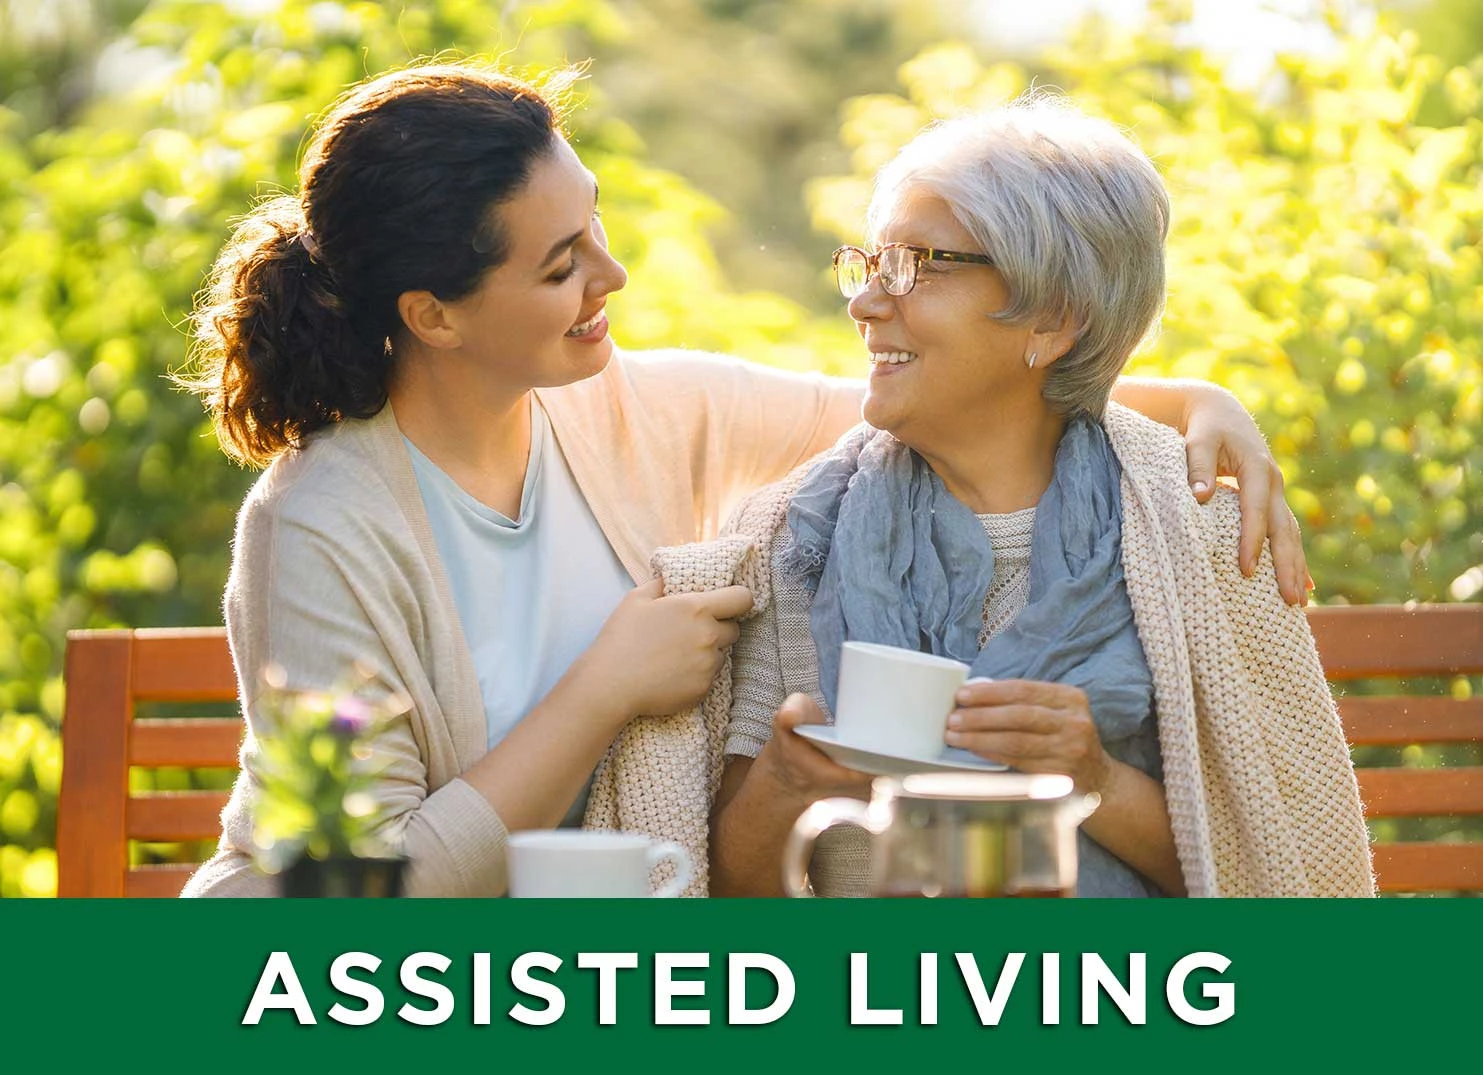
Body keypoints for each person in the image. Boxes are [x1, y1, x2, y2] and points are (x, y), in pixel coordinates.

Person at [177, 63, 1312, 897]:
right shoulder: (323, 527)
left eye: (597, 229)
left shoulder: (635, 408)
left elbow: (928, 395)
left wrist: (1205, 405)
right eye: (562, 263)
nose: (611, 276)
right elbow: (339, 909)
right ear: (433, 315)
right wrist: (605, 689)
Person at [710, 94, 1374, 897]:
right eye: (871, 262)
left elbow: (1283, 871)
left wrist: (1089, 775)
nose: (864, 301)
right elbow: (730, 896)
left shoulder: (1199, 537)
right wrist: (784, 782)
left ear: (1052, 318)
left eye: (916, 265)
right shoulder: (797, 535)